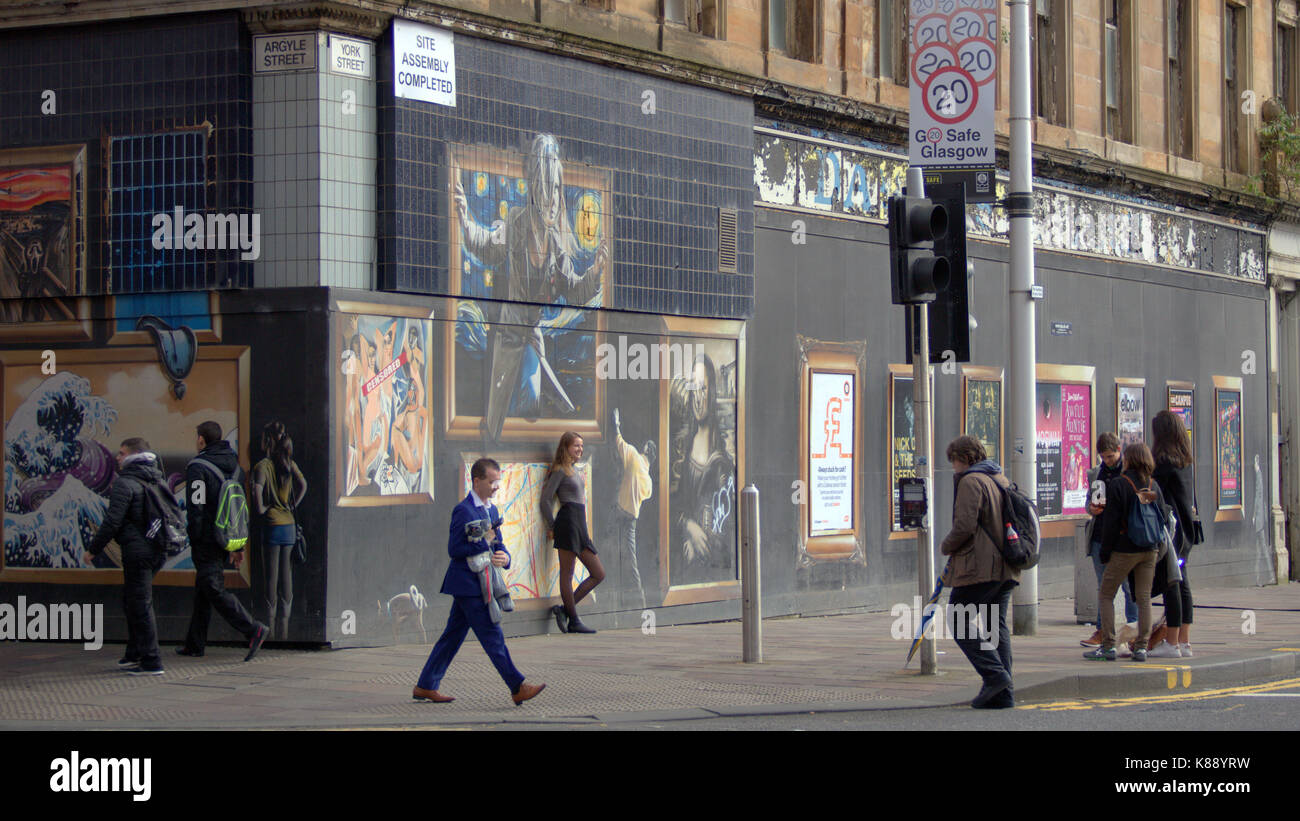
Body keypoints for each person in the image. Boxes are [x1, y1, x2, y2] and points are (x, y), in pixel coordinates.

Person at [413, 457, 545, 706]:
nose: (497, 486)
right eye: (492, 481)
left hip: (482, 581)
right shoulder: (463, 510)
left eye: (498, 481)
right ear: (477, 481)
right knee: (492, 635)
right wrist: (484, 541)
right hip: (468, 584)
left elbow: (499, 543)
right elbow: (454, 548)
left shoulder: (492, 510)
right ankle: (517, 686)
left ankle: (425, 685)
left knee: (452, 636)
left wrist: (504, 557)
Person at [177, 421, 269, 661]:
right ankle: (194, 644)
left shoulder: (198, 467)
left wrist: (194, 536)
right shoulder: (236, 467)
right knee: (204, 589)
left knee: (213, 587)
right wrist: (238, 546)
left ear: (201, 440)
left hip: (206, 538)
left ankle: (253, 629)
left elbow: (195, 505)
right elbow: (238, 507)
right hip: (227, 536)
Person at [940, 436, 1019, 709]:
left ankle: (996, 677)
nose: (953, 467)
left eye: (954, 461)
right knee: (995, 626)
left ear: (964, 458)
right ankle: (1004, 693)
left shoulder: (971, 481)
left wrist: (945, 545)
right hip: (1007, 565)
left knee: (958, 619)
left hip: (981, 567)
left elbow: (964, 526)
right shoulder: (999, 477)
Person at [83, 438, 168, 676]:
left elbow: (112, 521)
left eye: (121, 454)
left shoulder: (125, 483)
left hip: (138, 551)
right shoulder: (156, 478)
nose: (117, 458)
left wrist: (93, 549)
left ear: (133, 456)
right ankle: (135, 653)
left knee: (140, 603)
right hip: (157, 549)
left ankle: (152, 661)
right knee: (132, 600)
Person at [1086, 442, 1164, 662]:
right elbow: (1163, 515)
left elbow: (1111, 522)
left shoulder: (1120, 484)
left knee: (1106, 593)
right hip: (1150, 549)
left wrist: (1105, 551)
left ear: (1128, 459)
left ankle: (1109, 645)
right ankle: (1140, 647)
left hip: (1125, 549)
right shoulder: (1152, 484)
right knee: (1144, 597)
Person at [541, 432, 606, 633]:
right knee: (567, 575)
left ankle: (565, 610)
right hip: (567, 523)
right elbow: (545, 500)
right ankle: (574, 621)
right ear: (565, 447)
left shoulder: (573, 470)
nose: (580, 449)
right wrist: (552, 526)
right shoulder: (560, 470)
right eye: (576, 445)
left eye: (582, 446)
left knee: (598, 574)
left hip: (579, 524)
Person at [1080, 432, 1138, 647]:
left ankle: (1134, 632)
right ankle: (1102, 630)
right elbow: (1089, 502)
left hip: (1123, 538)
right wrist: (1091, 509)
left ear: (1119, 451)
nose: (1108, 461)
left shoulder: (1129, 473)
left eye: (1111, 456)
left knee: (1129, 587)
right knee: (1104, 587)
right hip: (1100, 536)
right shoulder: (1096, 474)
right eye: (1104, 457)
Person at [252, 424, 306, 640]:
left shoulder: (262, 466)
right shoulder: (289, 464)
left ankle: (271, 633)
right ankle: (284, 634)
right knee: (287, 579)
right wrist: (293, 507)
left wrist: (262, 509)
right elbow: (304, 484)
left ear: (267, 440)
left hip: (272, 525)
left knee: (270, 582)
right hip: (289, 525)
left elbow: (257, 493)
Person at [1150, 410, 1196, 658]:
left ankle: (1171, 643)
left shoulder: (1163, 464)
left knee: (1172, 584)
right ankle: (1184, 641)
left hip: (1171, 532)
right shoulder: (1185, 461)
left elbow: (1156, 496)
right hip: (1186, 531)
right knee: (1183, 583)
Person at [612, 408, 655, 611]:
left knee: (610, 551)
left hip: (618, 512)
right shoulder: (648, 479)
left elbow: (619, 442)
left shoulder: (634, 458)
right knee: (632, 559)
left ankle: (614, 598)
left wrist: (617, 424)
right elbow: (646, 495)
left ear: (645, 450)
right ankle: (640, 603)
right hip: (632, 517)